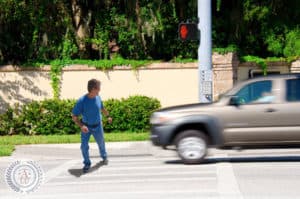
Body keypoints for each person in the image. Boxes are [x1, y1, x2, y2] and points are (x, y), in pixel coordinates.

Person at [72, 79, 112, 173]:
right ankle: (87, 163)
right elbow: (74, 116)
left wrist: (108, 116)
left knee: (101, 143)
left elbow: (102, 108)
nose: (100, 90)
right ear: (94, 89)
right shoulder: (82, 101)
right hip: (86, 127)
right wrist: (81, 126)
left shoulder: (98, 97)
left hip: (98, 126)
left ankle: (104, 156)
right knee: (84, 146)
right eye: (99, 88)